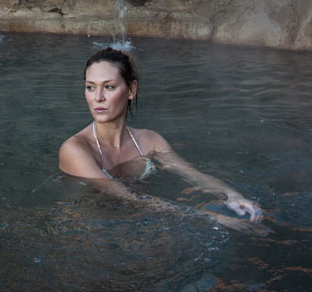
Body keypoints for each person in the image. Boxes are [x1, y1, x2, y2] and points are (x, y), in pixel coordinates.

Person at [59, 46, 262, 224]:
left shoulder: (150, 141)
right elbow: (128, 197)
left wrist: (231, 194)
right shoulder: (75, 149)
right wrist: (210, 217)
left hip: (143, 225)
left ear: (131, 90)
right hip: (90, 229)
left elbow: (193, 175)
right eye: (90, 87)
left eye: (109, 87)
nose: (98, 98)